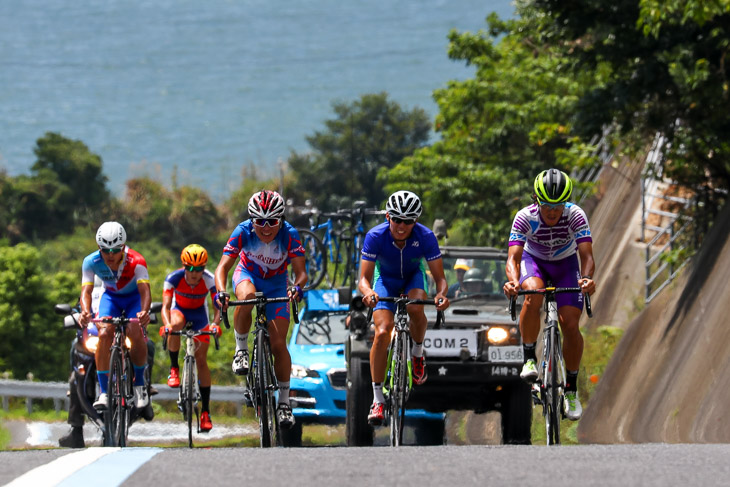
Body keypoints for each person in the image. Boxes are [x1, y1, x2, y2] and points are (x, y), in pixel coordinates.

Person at [503, 168, 596, 421]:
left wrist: (586, 279)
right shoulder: (524, 217)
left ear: (566, 202)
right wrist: (513, 282)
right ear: (536, 200)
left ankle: (571, 390)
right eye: (546, 205)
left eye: (558, 205)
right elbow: (514, 258)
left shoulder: (575, 215)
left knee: (571, 324)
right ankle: (529, 358)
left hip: (566, 265)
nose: (552, 211)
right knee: (532, 294)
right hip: (535, 262)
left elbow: (586, 256)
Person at [213, 190, 307, 429]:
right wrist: (222, 291)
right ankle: (241, 349)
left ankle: (284, 404)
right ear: (251, 220)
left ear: (281, 220)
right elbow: (222, 268)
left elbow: (301, 273)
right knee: (247, 297)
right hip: (248, 275)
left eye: (272, 222)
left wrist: (296, 287)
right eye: (260, 222)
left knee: (278, 344)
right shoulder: (242, 231)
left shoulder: (290, 235)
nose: (266, 228)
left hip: (277, 284)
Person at [358, 190, 450, 426]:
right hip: (385, 281)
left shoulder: (426, 236)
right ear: (388, 216)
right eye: (396, 219)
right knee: (382, 332)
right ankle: (378, 399)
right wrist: (368, 293)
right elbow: (363, 280)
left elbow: (440, 278)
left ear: (415, 221)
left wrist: (441, 294)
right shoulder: (375, 236)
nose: (401, 226)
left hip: (412, 278)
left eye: (408, 221)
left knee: (416, 307)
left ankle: (417, 354)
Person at [78, 221, 152, 411]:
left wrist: (144, 311)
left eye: (115, 250)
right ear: (98, 248)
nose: (110, 255)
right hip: (110, 298)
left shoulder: (137, 261)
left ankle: (139, 386)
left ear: (123, 247)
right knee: (103, 334)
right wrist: (85, 311)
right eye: (105, 250)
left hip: (134, 299)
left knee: (135, 331)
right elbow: (86, 292)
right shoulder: (90, 262)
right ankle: (104, 391)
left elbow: (145, 291)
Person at [161, 244, 222, 432]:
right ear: (184, 266)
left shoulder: (210, 280)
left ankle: (205, 412)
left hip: (199, 315)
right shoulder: (173, 278)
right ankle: (174, 369)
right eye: (190, 268)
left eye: (199, 269)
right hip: (179, 311)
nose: (194, 273)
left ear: (204, 268)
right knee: (175, 325)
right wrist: (167, 325)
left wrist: (215, 324)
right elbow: (165, 307)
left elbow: (217, 306)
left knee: (201, 360)